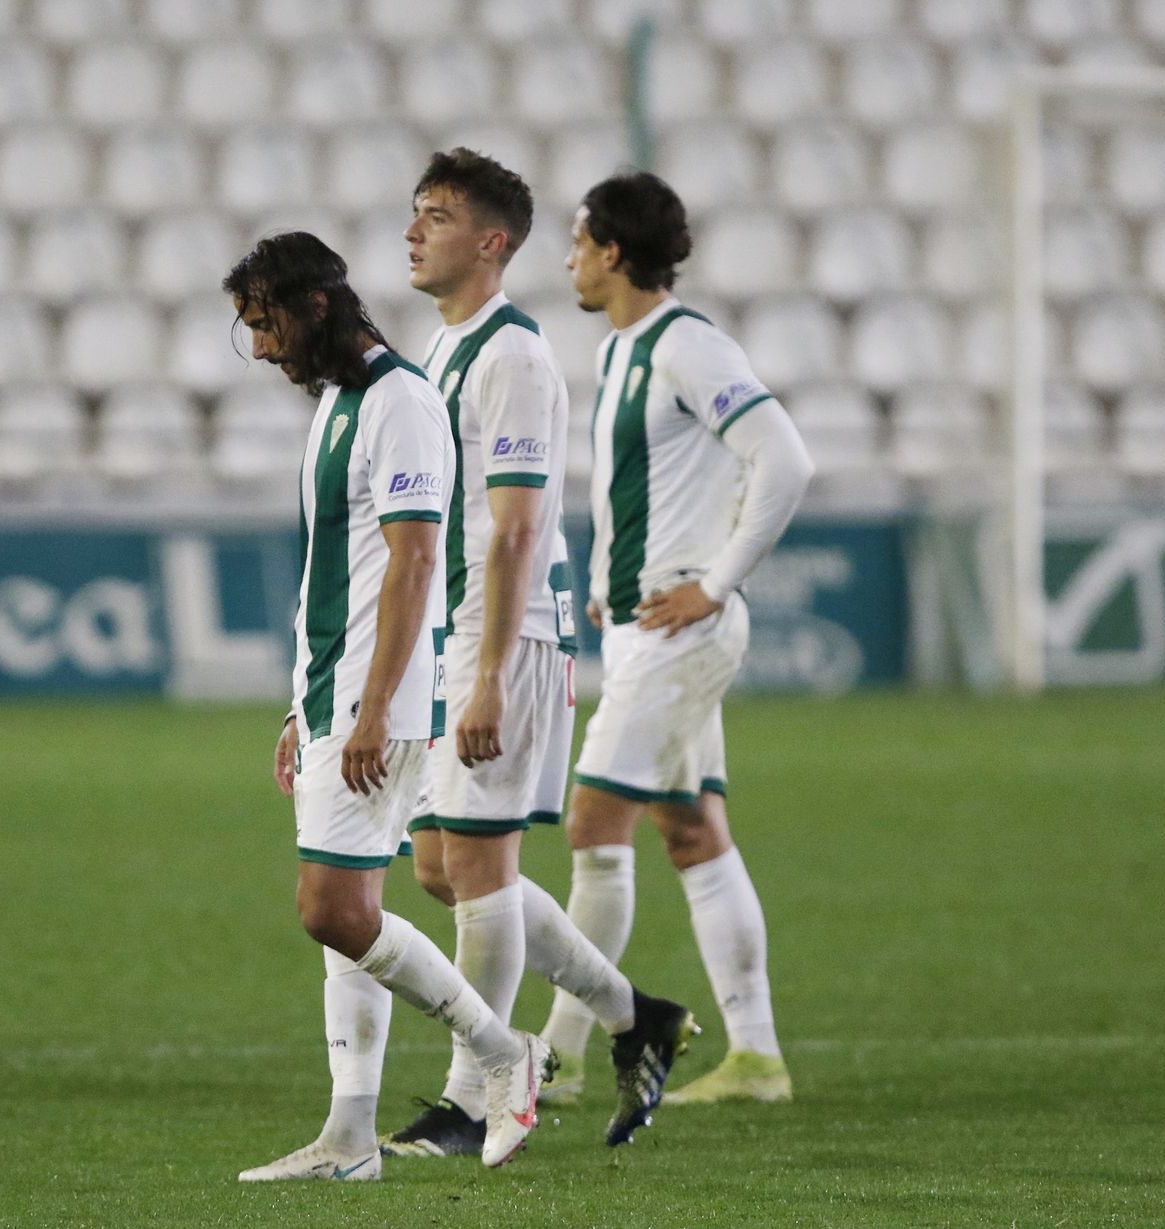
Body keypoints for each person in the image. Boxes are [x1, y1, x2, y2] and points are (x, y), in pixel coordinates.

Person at [382, 149, 697, 1159]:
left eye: (434, 215)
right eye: (414, 212)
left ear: (491, 241)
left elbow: (517, 528)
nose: (411, 230)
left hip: (501, 637)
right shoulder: (441, 353)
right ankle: (631, 1012)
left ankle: (475, 1093)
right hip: (456, 632)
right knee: (440, 865)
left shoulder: (511, 358)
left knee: (476, 866)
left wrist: (484, 673)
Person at [224, 232, 550, 1183]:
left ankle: (501, 1052)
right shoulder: (336, 404)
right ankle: (350, 1136)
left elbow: (414, 560)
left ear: (318, 304)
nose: (264, 347)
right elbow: (341, 570)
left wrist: (371, 708)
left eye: (268, 322)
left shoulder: (402, 403)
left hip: (382, 699)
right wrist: (303, 703)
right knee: (345, 910)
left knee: (333, 908)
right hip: (333, 690)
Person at [537, 172, 815, 1108]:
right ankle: (758, 1058)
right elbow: (654, 489)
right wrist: (614, 589)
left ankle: (561, 1056)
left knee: (591, 825)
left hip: (682, 630)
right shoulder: (625, 352)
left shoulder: (689, 346)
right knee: (691, 830)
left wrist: (715, 581)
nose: (569, 258)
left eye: (578, 241)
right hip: (645, 624)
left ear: (614, 250)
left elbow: (785, 456)